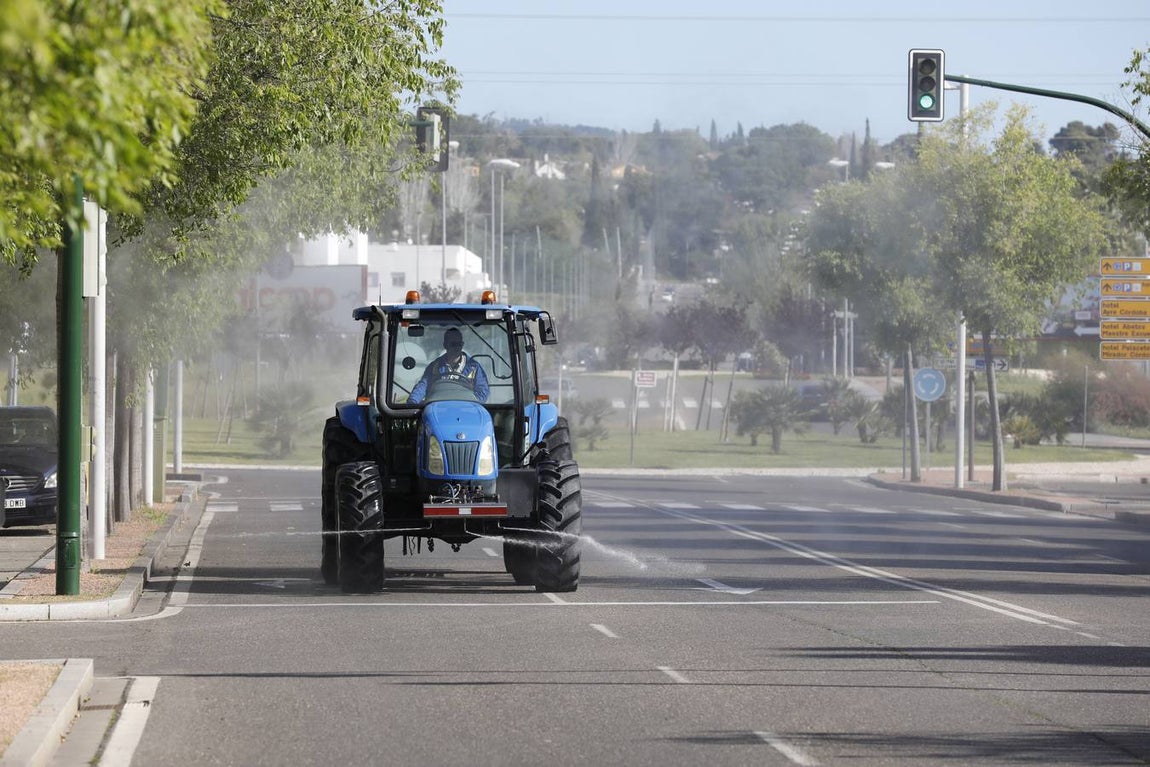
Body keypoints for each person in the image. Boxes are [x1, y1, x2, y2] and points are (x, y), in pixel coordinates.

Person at [409, 327, 490, 403]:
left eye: (459, 344)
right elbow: (423, 386)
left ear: (462, 345)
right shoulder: (434, 367)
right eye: (453, 344)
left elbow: (482, 391)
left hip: (465, 409)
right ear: (445, 345)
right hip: (439, 408)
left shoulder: (474, 367)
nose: (457, 347)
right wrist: (413, 402)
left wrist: (470, 404)